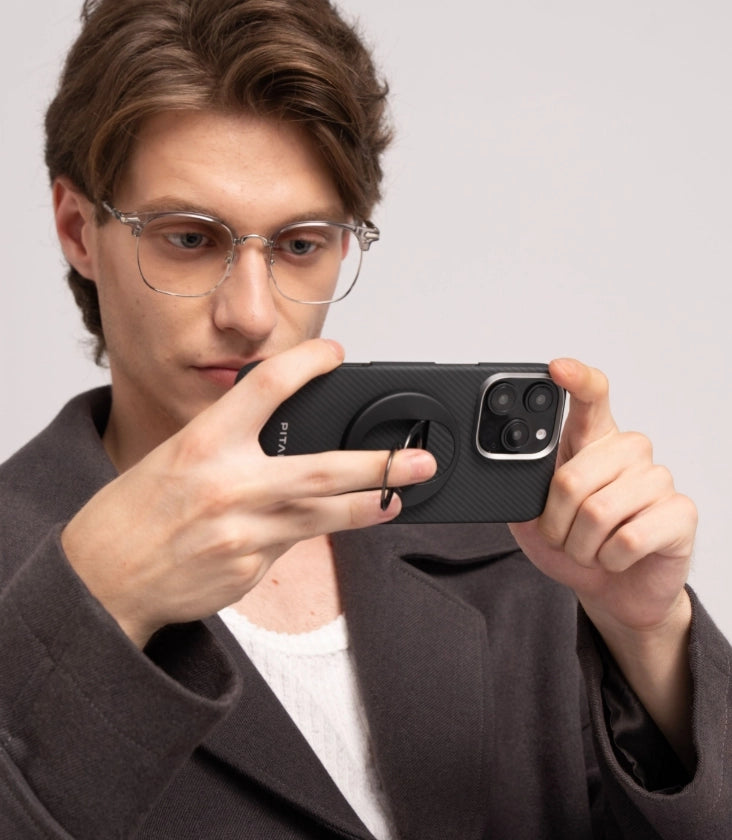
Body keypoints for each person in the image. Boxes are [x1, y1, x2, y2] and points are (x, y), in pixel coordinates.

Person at [0, 0, 729, 837]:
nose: (250, 314)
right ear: (77, 230)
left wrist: (649, 637)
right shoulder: (22, 565)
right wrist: (98, 605)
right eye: (190, 239)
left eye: (300, 244)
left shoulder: (518, 543)